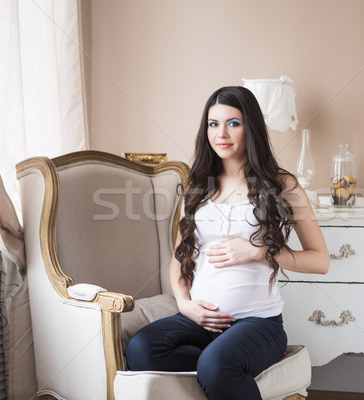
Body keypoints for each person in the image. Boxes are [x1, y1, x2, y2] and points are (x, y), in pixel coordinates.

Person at [125, 86, 329, 400]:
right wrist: (184, 304)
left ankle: (221, 365)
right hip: (200, 320)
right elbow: (180, 257)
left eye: (233, 123)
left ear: (251, 128)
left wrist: (260, 252)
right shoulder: (196, 186)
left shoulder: (282, 185)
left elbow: (320, 261)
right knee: (141, 350)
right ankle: (222, 366)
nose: (222, 133)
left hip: (258, 322)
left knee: (217, 365)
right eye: (213, 123)